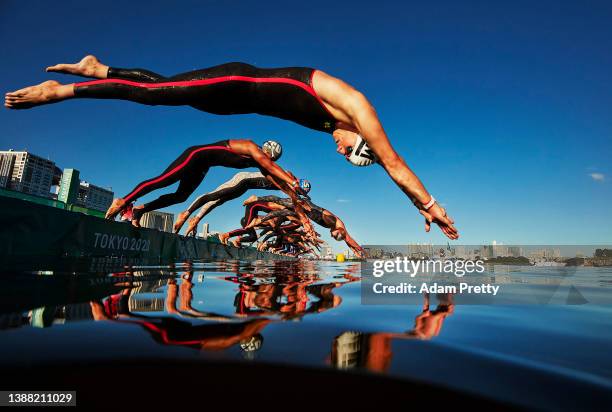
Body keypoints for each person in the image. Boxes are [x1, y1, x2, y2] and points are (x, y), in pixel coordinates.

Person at [5, 55, 458, 239]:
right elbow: (392, 160)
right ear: (362, 138)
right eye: (347, 150)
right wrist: (429, 202)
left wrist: (415, 204)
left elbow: (386, 165)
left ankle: (100, 68)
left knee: (165, 89)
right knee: (156, 95)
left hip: (234, 104)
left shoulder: (349, 130)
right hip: (237, 80)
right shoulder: (357, 108)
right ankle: (58, 91)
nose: (337, 149)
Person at [104, 139, 312, 231]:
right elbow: (272, 168)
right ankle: (124, 202)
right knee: (163, 180)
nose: (268, 162)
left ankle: (140, 210)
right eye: (269, 158)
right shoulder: (251, 147)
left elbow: (278, 182)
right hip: (196, 156)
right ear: (266, 151)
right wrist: (292, 180)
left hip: (203, 167)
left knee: (180, 196)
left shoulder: (262, 163)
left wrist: (297, 201)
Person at [173, 168, 311, 235]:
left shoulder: (288, 188)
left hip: (245, 187)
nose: (296, 193)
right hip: (243, 179)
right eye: (298, 190)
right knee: (215, 195)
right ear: (297, 183)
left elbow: (289, 201)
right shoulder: (288, 177)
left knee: (219, 202)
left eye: (299, 193)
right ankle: (187, 213)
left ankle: (196, 219)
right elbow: (288, 175)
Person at [244, 195, 364, 257]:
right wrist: (306, 220)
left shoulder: (339, 228)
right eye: (334, 236)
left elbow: (348, 239)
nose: (331, 237)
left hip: (306, 211)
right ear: (338, 231)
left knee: (284, 211)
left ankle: (260, 220)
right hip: (305, 206)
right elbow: (316, 211)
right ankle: (257, 199)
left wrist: (357, 250)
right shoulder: (332, 221)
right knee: (280, 203)